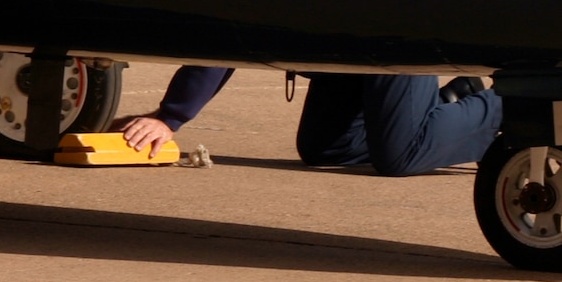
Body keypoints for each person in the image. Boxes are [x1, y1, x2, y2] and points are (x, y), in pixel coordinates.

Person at [118, 66, 501, 175]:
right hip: (341, 50)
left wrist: (170, 119)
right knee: (329, 148)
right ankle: (449, 104)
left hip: (392, 32)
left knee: (400, 156)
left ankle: (506, 106)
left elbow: (225, 44)